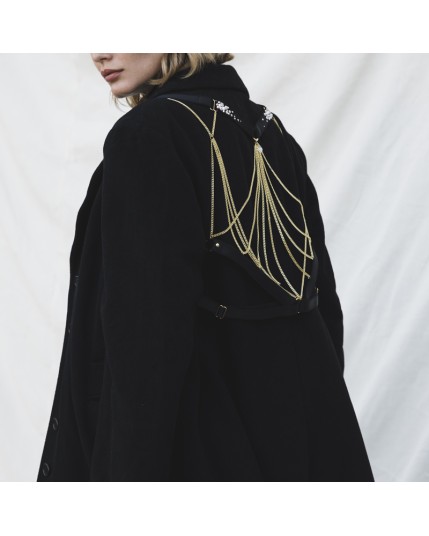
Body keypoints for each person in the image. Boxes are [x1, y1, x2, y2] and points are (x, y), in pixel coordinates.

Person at [36, 53, 375, 481]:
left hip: (202, 455)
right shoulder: (275, 135)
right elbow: (324, 311)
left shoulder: (146, 137)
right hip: (314, 444)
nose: (99, 52)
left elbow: (145, 349)